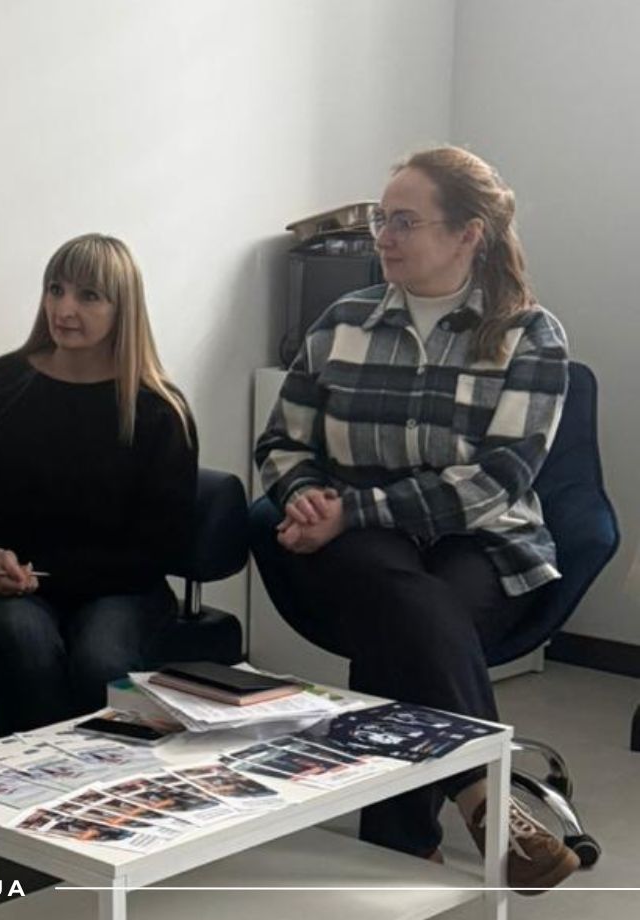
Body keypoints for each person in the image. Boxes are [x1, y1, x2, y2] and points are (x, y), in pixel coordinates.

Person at [255, 146, 578, 890]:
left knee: (403, 625)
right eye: (381, 220)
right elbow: (281, 442)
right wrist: (305, 495)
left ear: (468, 234)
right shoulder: (343, 322)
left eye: (405, 221)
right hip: (361, 544)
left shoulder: (528, 334)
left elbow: (498, 480)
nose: (385, 238)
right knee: (393, 591)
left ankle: (402, 852)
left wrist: (352, 507)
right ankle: (485, 799)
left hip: (480, 541)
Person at [0, 233, 197, 736]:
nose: (64, 309)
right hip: (9, 589)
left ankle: (110, 778)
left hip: (120, 589)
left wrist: (36, 576)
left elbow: (159, 548)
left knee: (100, 658)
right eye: (56, 290)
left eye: (88, 296)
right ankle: (38, 777)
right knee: (22, 639)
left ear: (123, 308)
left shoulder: (159, 409)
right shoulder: (0, 383)